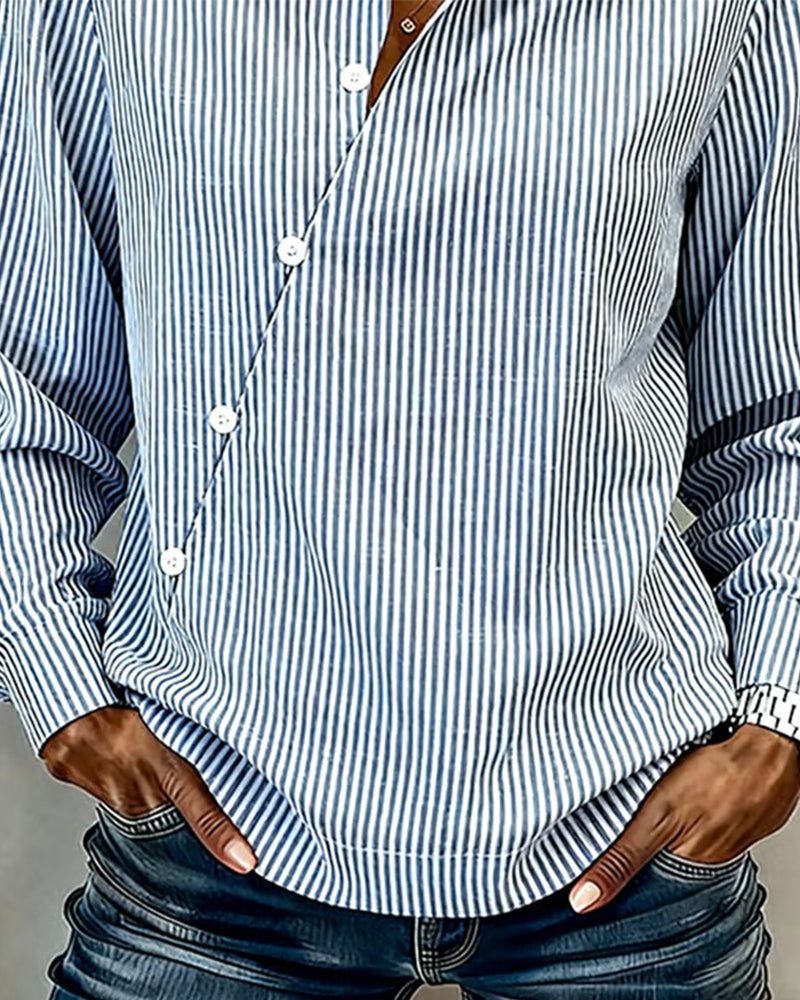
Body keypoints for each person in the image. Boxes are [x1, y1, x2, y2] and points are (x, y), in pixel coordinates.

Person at [1, 0, 799, 996]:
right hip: (217, 830)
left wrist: (779, 706)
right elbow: (25, 365)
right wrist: (53, 668)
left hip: (621, 824)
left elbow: (776, 404)